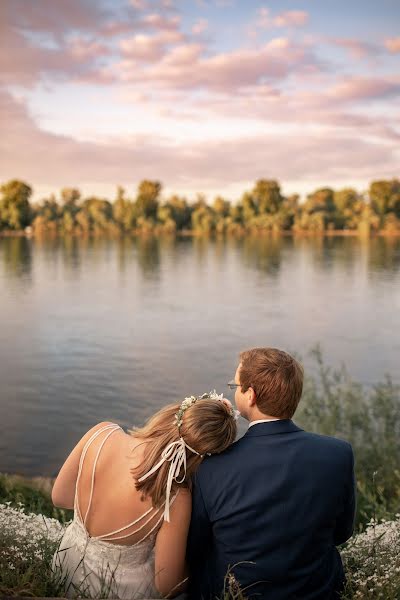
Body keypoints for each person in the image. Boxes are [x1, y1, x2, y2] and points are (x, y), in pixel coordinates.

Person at [187, 348, 356, 600]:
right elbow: (342, 533)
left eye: (236, 386)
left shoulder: (212, 468)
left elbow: (196, 548)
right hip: (317, 592)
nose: (234, 390)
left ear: (251, 395)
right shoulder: (338, 453)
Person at [51, 392, 237, 599]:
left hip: (64, 567)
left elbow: (60, 497)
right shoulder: (174, 496)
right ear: (203, 457)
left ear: (173, 413)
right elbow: (167, 584)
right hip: (118, 590)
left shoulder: (102, 433)